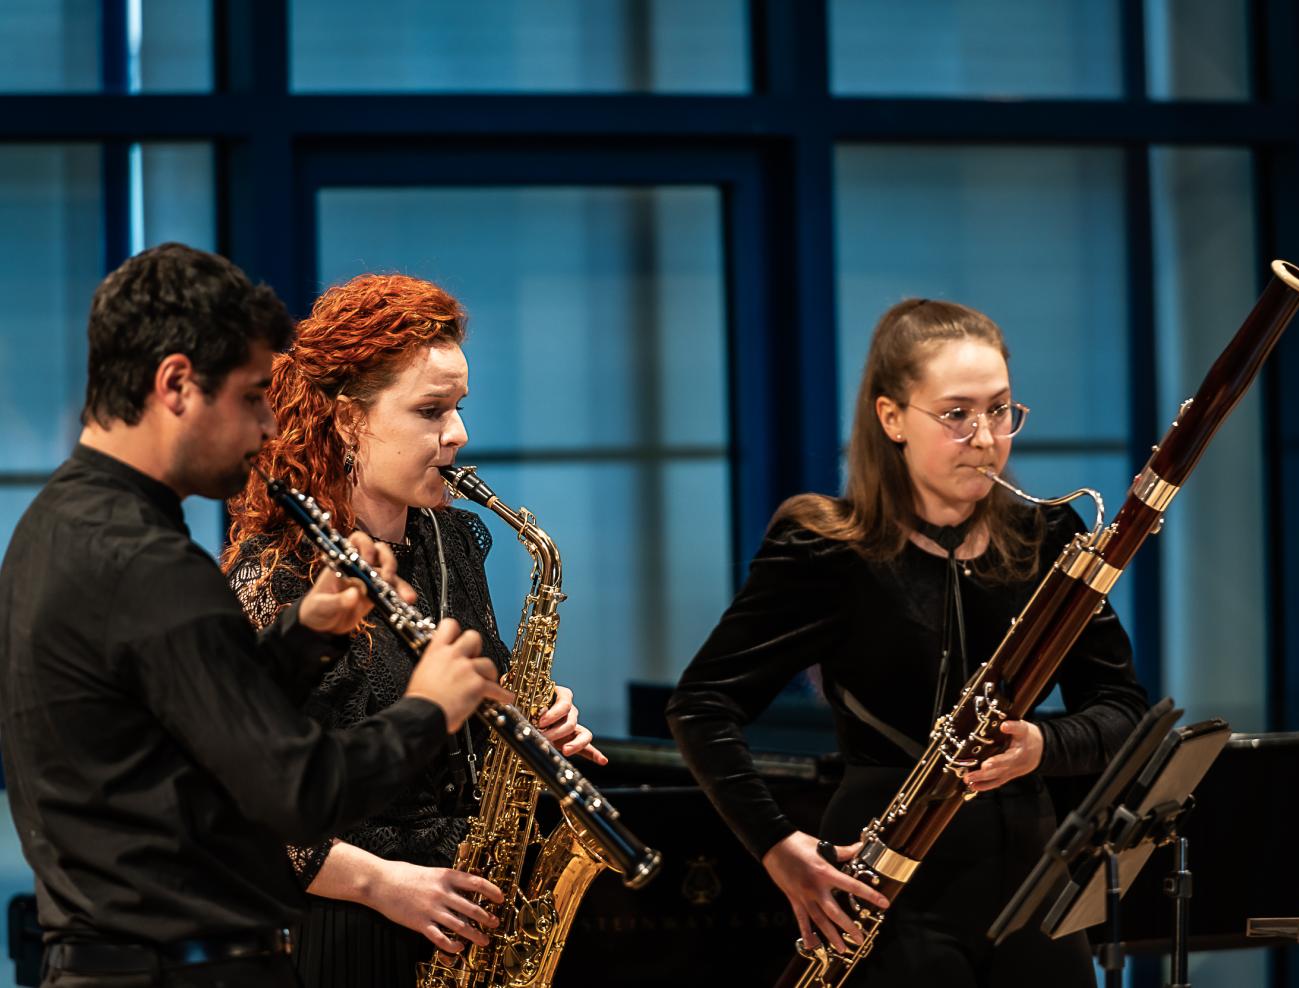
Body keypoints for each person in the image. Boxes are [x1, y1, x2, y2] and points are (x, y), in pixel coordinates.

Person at [0, 243, 512, 988]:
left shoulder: (55, 523)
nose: (270, 426)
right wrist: (431, 708)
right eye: (249, 398)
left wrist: (305, 638)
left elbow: (189, 729)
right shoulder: (148, 565)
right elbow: (295, 791)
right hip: (176, 968)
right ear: (177, 385)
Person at [666, 299, 1148, 987]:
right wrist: (776, 846)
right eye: (956, 414)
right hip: (884, 888)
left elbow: (1123, 710)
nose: (985, 438)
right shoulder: (826, 550)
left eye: (1000, 410)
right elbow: (701, 705)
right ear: (892, 418)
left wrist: (1044, 745)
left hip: (1031, 881)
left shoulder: (1049, 539)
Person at [223, 273, 605, 988]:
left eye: (458, 407)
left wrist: (527, 727)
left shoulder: (448, 540)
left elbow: (461, 727)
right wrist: (382, 884)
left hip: (463, 914)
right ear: (348, 420)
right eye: (431, 411)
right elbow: (240, 801)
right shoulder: (278, 576)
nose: (458, 434)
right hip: (350, 929)